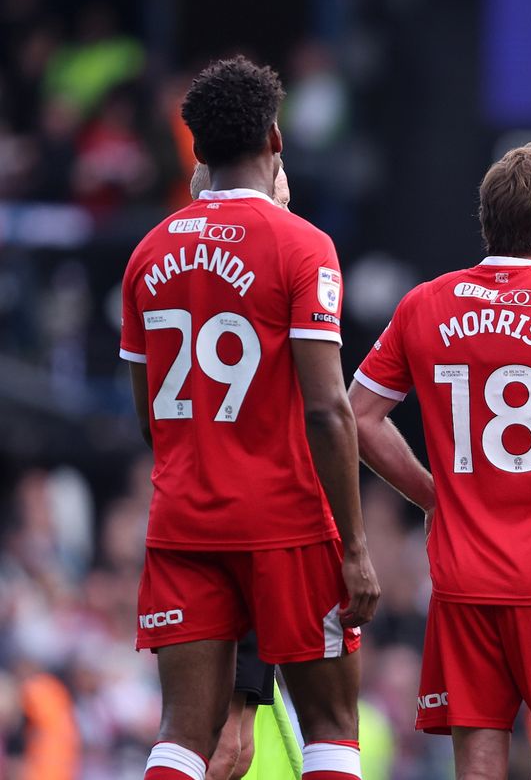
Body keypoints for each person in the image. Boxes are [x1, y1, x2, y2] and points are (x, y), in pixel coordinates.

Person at [120, 56, 378, 780]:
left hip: (184, 519)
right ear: (276, 138)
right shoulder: (303, 246)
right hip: (286, 521)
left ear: (195, 152)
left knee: (181, 736)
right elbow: (329, 409)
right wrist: (355, 545)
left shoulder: (146, 254)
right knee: (331, 727)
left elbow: (148, 418)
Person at [349, 143, 531, 779]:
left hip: (461, 580)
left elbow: (357, 415)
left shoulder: (424, 304)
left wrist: (432, 496)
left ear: (488, 223)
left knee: (477, 768)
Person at [187, 162, 297, 780]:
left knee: (195, 734)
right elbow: (327, 413)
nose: (284, 200)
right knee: (228, 744)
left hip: (188, 516)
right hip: (256, 527)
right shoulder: (283, 269)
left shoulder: (171, 270)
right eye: (280, 188)